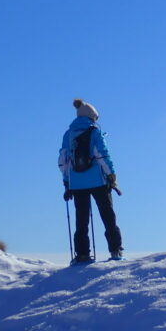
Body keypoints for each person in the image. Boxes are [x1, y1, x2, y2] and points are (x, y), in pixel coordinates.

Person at [58, 98, 123, 264]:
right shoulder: (94, 132)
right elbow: (102, 156)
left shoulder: (68, 134)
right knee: (108, 216)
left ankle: (82, 254)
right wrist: (112, 176)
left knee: (81, 220)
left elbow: (63, 161)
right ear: (92, 116)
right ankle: (115, 250)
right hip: (98, 182)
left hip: (77, 184)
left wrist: (67, 183)